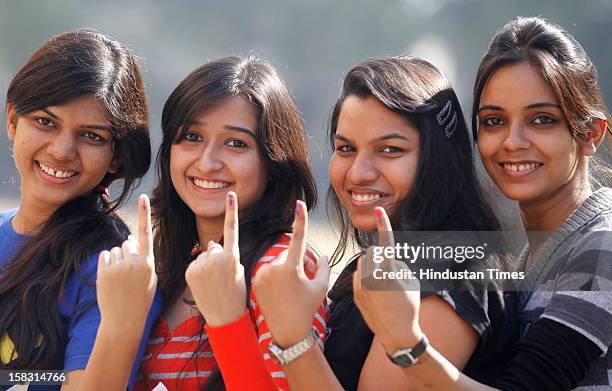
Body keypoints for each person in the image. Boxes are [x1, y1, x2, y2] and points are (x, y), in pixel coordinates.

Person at [354, 16, 612, 391]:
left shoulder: (601, 245)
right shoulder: (530, 256)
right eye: (494, 121)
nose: (513, 141)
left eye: (542, 120)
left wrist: (406, 343)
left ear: (590, 134)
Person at [251, 56, 515, 390]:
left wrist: (294, 338)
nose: (359, 173)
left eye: (389, 150)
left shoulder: (455, 269)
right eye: (345, 148)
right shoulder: (376, 265)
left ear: (437, 160)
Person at [134, 55, 326, 391]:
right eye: (192, 137)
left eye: (236, 143)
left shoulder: (280, 269)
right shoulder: (164, 265)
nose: (207, 163)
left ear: (273, 160)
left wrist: (228, 323)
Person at [0, 29, 160, 390]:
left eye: (92, 136)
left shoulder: (111, 269)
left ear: (116, 155)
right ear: (12, 119)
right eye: (45, 121)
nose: (61, 150)